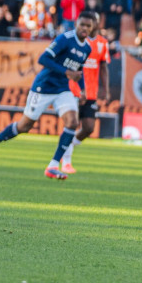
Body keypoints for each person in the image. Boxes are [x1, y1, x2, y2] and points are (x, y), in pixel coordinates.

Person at [0, 11, 97, 180]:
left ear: (92, 28)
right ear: (76, 23)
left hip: (63, 89)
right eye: (82, 25)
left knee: (72, 122)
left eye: (88, 26)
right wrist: (67, 72)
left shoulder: (86, 48)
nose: (85, 28)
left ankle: (53, 166)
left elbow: (79, 70)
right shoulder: (65, 39)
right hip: (43, 87)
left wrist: (82, 88)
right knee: (24, 126)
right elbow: (43, 59)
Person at [61, 14, 110, 173]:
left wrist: (106, 89)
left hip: (91, 91)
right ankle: (66, 162)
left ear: (96, 23)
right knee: (71, 124)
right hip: (74, 89)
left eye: (93, 21)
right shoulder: (77, 41)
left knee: (89, 128)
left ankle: (70, 145)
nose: (90, 25)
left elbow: (103, 67)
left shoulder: (102, 43)